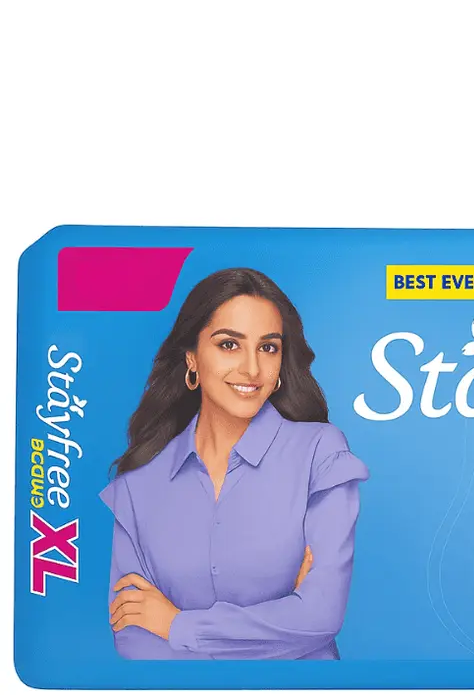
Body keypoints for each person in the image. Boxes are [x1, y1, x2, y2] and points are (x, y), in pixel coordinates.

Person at [99, 267, 368, 660]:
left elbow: (318, 617)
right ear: (192, 357)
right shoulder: (139, 486)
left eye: (268, 347)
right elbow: (135, 642)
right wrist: (279, 631)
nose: (252, 369)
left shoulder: (319, 453)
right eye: (229, 345)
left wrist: (177, 625)